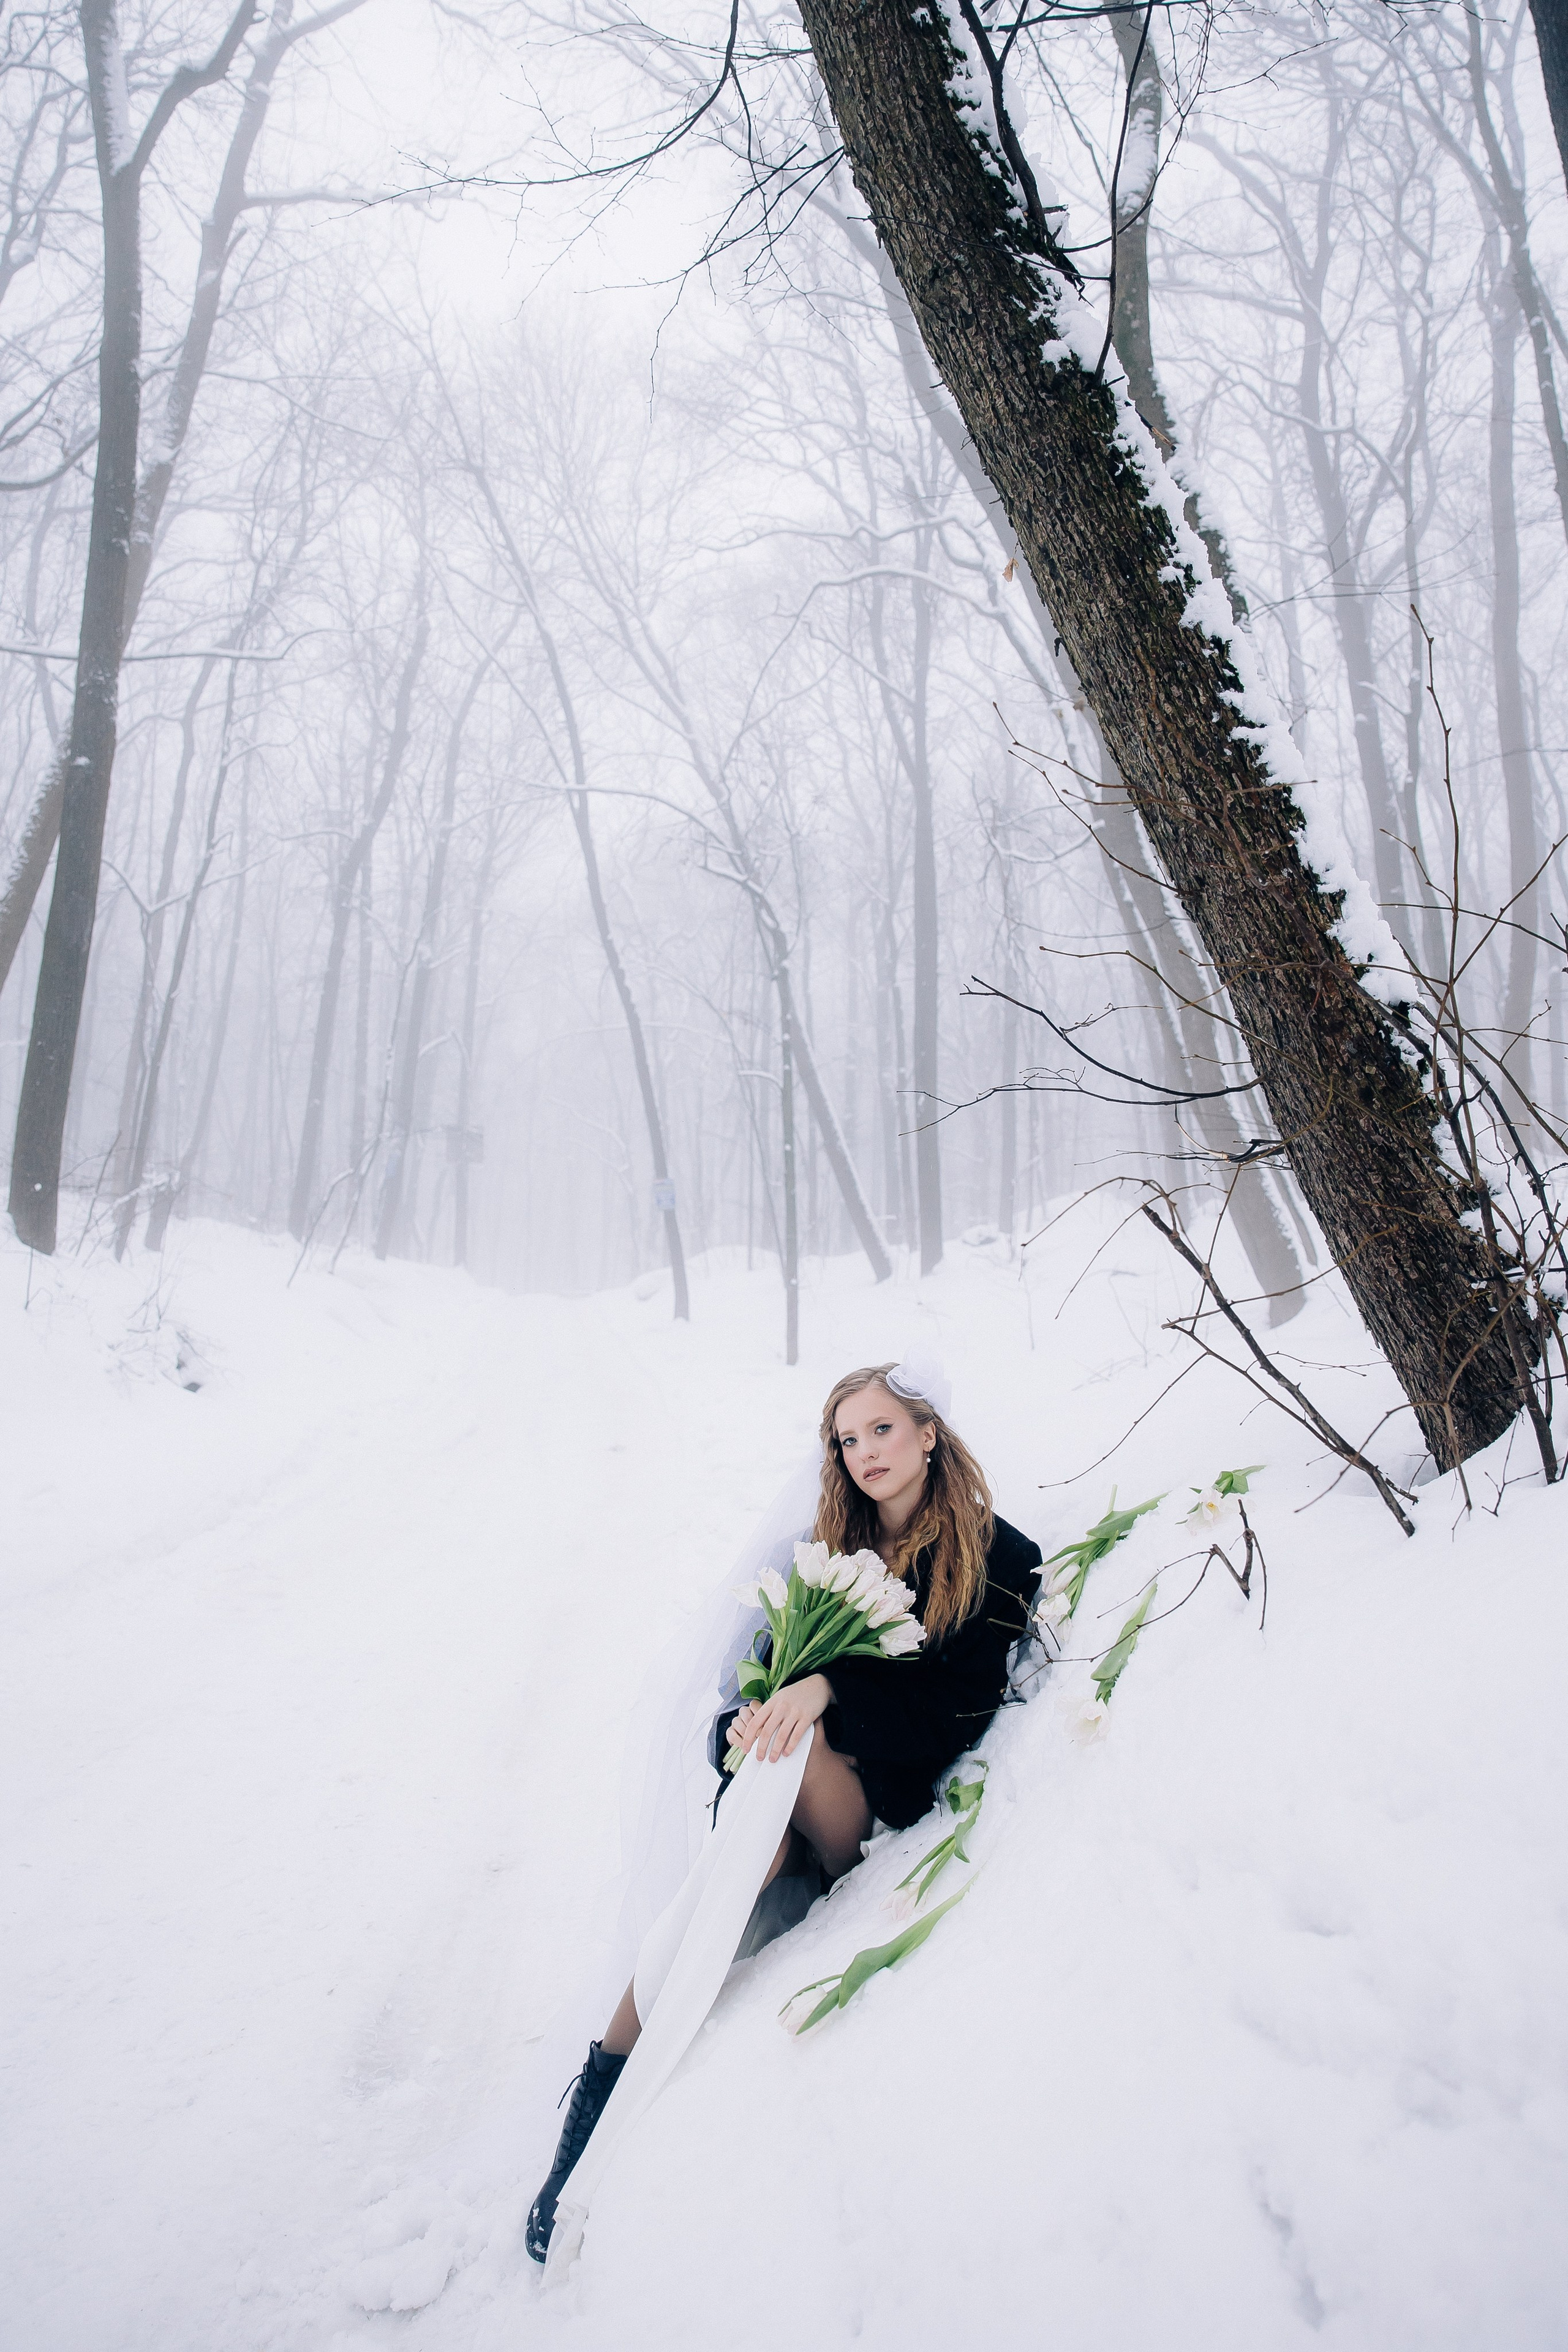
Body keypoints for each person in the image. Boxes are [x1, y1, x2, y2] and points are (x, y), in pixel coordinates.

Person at [524, 1360, 1042, 2263]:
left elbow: (957, 1713)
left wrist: (826, 1687)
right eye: (847, 1439)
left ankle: (610, 2074)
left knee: (780, 1778)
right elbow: (741, 1702)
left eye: (882, 1429)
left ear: (929, 1433)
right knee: (740, 1856)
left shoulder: (1001, 1557)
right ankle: (599, 2100)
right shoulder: (817, 1558)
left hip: (879, 1807)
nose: (864, 1452)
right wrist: (754, 1725)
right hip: (780, 1802)